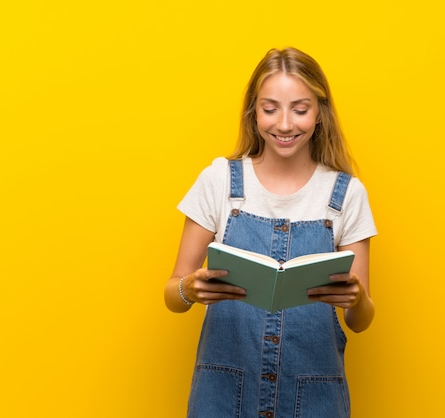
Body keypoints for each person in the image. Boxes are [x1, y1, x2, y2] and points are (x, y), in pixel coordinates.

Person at [164, 47, 377, 418]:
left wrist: (357, 300)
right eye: (270, 108)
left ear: (320, 113)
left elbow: (361, 321)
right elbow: (172, 293)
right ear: (253, 111)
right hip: (223, 394)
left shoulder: (345, 195)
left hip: (314, 397)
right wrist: (189, 288)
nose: (284, 124)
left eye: (300, 109)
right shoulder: (219, 181)